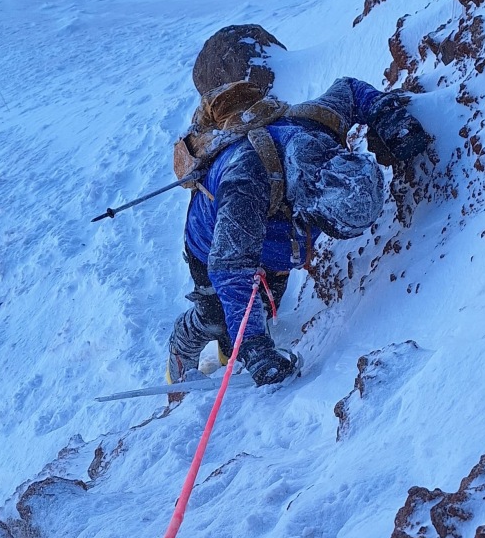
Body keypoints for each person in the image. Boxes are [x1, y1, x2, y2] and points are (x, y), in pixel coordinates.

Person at [167, 24, 431, 386]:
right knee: (218, 315)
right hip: (211, 241)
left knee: (267, 299)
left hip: (274, 237)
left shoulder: (316, 127)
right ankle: (183, 347)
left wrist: (387, 115)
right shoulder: (245, 180)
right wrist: (256, 347)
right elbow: (230, 267)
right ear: (310, 202)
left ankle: (234, 350)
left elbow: (350, 91)